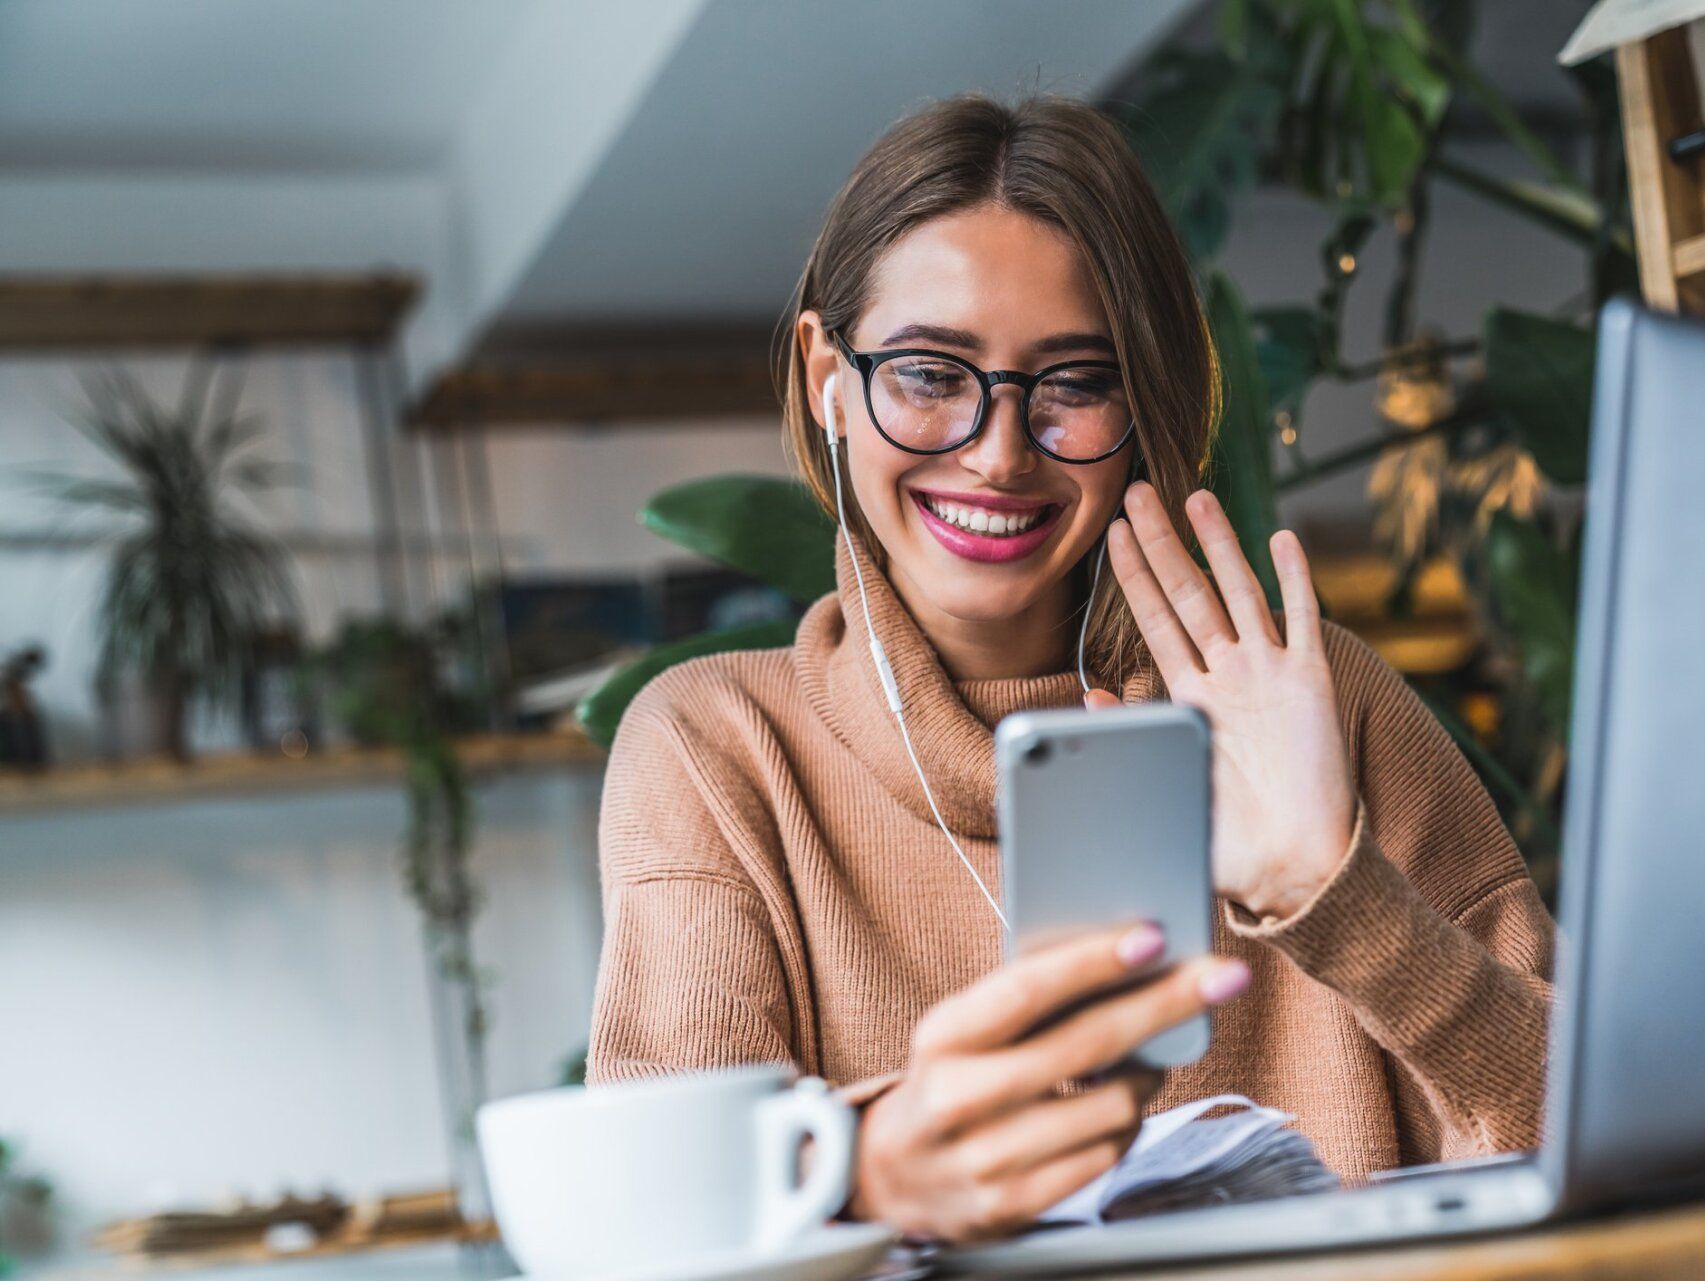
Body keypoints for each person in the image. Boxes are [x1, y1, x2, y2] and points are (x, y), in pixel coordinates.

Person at [589, 93, 1554, 1244]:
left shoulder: (1311, 702)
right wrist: (862, 1178)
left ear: (1141, 406)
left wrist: (1333, 898)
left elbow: (1602, 1154)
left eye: (1076, 383)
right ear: (826, 380)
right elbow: (658, 1235)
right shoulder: (715, 749)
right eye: (931, 375)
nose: (999, 454)